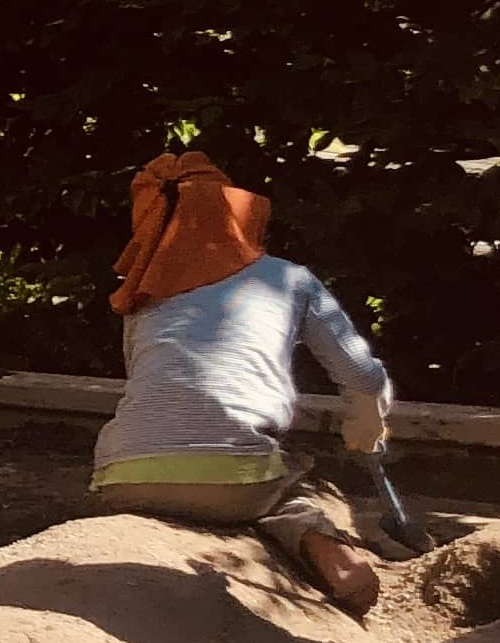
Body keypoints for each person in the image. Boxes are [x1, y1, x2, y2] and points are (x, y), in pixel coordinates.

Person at [86, 153, 395, 616]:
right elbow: (362, 376)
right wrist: (367, 432)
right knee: (289, 485)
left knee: (189, 467)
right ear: (236, 210)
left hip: (123, 474)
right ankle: (329, 552)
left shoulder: (142, 296)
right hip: (234, 476)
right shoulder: (288, 279)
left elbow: (152, 384)